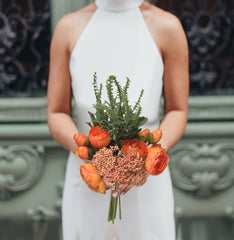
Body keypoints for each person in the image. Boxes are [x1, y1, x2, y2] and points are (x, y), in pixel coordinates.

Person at [47, 0, 189, 239]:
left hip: (147, 185)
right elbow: (57, 112)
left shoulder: (168, 27)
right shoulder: (68, 27)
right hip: (88, 181)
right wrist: (93, 156)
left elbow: (177, 110)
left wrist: (144, 160)